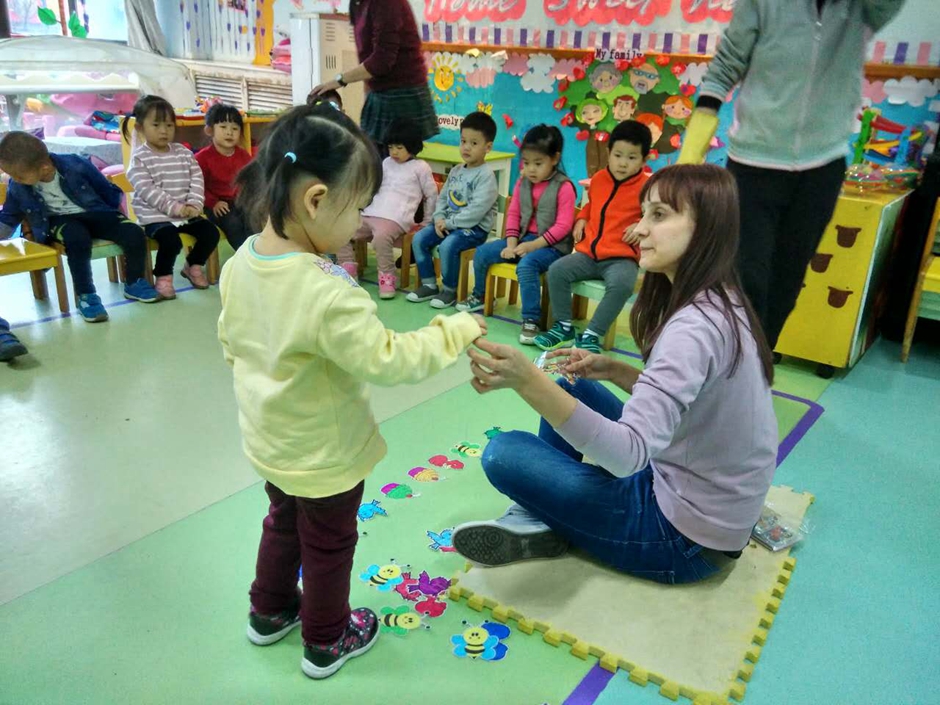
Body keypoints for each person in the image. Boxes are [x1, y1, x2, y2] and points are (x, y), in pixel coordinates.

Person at [218, 103, 485, 679]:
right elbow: (389, 359)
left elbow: (231, 344)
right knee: (329, 544)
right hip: (326, 455)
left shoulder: (241, 261)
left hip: (270, 439)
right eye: (357, 207)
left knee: (282, 522)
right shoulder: (327, 292)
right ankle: (326, 638)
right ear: (316, 200)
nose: (361, 222)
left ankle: (268, 611)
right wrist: (456, 329)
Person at [452, 164, 778, 585]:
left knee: (503, 452)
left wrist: (526, 380)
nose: (639, 229)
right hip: (706, 507)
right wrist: (616, 370)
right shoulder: (722, 298)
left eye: (658, 215)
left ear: (706, 228)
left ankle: (542, 517)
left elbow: (627, 456)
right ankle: (545, 516)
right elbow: (695, 403)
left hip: (681, 540)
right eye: (643, 214)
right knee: (573, 383)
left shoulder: (692, 329)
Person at [678, 0, 905, 351]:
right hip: (753, 165)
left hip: (821, 168)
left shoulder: (858, 8)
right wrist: (690, 155)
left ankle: (755, 367)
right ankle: (731, 364)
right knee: (746, 280)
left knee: (786, 286)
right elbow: (725, 64)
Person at [0, 132, 160, 320]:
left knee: (133, 232)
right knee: (76, 239)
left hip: (95, 212)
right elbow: (8, 217)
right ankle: (86, 295)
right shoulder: (17, 186)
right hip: (60, 220)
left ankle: (134, 282)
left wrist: (113, 214)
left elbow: (106, 190)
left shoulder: (76, 164)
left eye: (18, 176)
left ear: (44, 166)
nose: (14, 179)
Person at [535, 120, 651, 354]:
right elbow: (591, 205)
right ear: (608, 152)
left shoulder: (648, 187)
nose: (623, 163)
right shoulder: (598, 179)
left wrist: (641, 223)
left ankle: (592, 334)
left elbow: (655, 216)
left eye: (632, 157)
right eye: (618, 155)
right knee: (556, 271)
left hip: (622, 258)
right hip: (588, 255)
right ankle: (563, 327)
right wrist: (582, 218)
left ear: (644, 159)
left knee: (622, 285)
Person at [457, 125, 576, 345]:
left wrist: (533, 246)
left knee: (527, 265)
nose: (531, 169)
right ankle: (480, 295)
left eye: (538, 163)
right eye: (526, 163)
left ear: (555, 159)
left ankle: (531, 319)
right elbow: (513, 214)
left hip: (552, 247)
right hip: (522, 240)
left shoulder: (564, 187)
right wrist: (511, 244)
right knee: (482, 252)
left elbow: (563, 226)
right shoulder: (522, 182)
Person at [308, 0, 438, 153]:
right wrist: (368, 95)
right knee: (372, 156)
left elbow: (382, 60)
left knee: (396, 159)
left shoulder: (387, 3)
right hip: (378, 91)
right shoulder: (357, 4)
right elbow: (366, 54)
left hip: (402, 93)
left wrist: (339, 80)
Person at [124, 95, 220, 300]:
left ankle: (193, 265)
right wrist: (175, 208)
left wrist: (194, 204)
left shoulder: (183, 152)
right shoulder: (139, 158)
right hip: (156, 217)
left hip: (186, 213)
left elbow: (196, 178)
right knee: (171, 240)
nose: (164, 131)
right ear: (140, 128)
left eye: (169, 125)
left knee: (211, 232)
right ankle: (163, 277)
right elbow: (148, 191)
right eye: (156, 125)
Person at [335, 118, 437, 297]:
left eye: (399, 147)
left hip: (396, 218)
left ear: (412, 146)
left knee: (381, 238)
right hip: (372, 212)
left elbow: (432, 194)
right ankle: (347, 267)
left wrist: (428, 221)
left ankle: (387, 277)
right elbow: (376, 187)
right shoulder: (386, 163)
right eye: (390, 147)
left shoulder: (421, 167)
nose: (394, 152)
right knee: (342, 228)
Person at [407, 111, 498, 310]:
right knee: (419, 238)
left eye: (474, 143)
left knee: (448, 245)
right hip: (448, 223)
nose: (466, 147)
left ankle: (449, 290)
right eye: (463, 141)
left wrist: (448, 223)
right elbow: (443, 198)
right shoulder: (456, 170)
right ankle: (429, 285)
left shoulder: (486, 176)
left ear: (488, 147)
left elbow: (476, 211)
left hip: (474, 229)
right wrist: (439, 217)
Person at [195, 103, 254, 251]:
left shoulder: (243, 155)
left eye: (235, 128)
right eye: (223, 127)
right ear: (209, 130)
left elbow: (251, 179)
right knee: (233, 223)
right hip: (216, 205)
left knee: (254, 219)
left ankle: (256, 254)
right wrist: (213, 202)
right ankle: (243, 255)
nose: (229, 133)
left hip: (240, 201)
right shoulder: (202, 158)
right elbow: (197, 186)